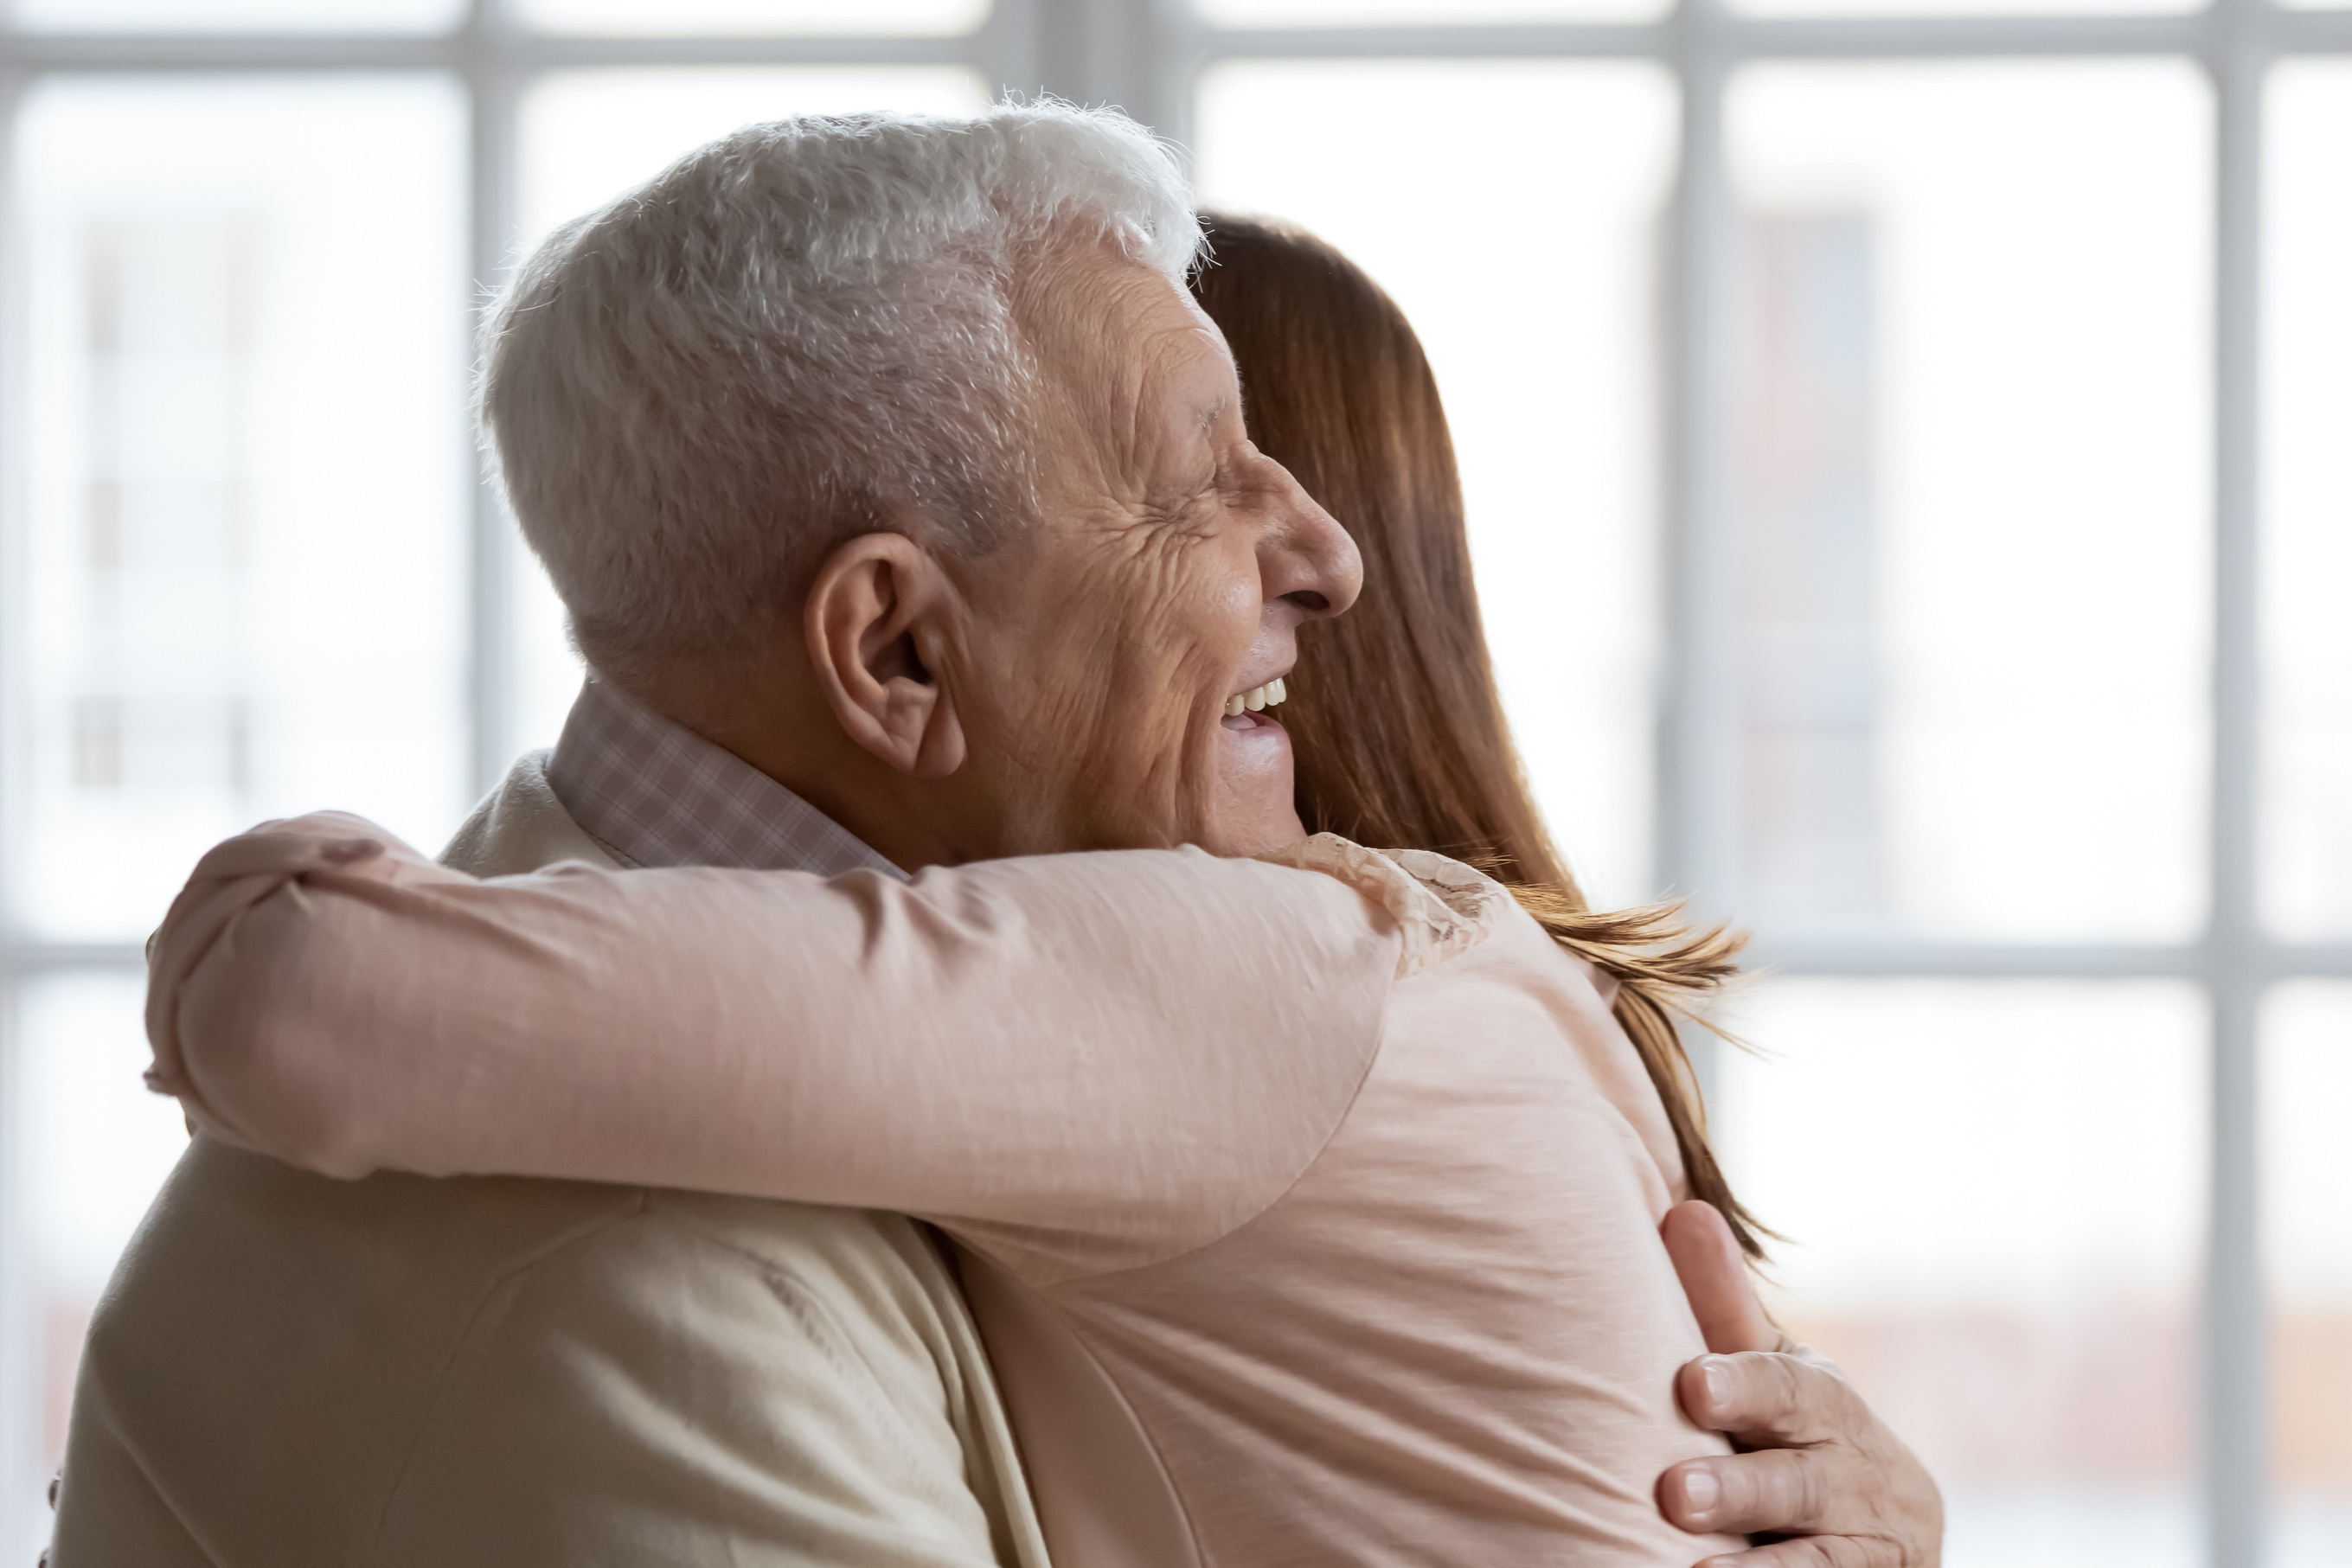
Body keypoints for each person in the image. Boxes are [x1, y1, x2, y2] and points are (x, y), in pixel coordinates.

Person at [57, 105, 1936, 1567]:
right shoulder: (668, 1298)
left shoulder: (1227, 977)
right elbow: (323, 1006)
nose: (1328, 563)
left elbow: (301, 997)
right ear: (894, 647)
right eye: (1203, 482)